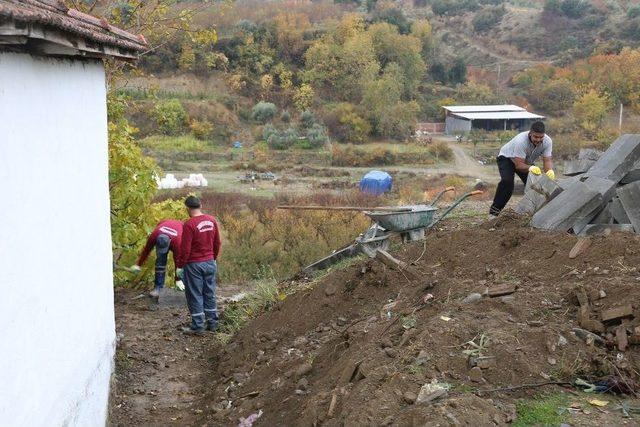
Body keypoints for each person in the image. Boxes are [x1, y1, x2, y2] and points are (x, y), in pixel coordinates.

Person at [489, 121, 555, 217]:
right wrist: (531, 167)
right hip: (507, 158)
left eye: (541, 137)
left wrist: (549, 172)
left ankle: (534, 214)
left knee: (537, 185)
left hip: (526, 161)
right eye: (536, 137)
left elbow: (547, 160)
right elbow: (519, 165)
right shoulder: (521, 141)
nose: (538, 140)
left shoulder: (547, 141)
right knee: (507, 183)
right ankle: (493, 213)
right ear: (530, 133)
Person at [177, 196, 222, 335]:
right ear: (200, 205)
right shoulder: (211, 220)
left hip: (194, 264)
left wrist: (180, 265)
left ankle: (198, 326)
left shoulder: (189, 224)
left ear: (187, 208)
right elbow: (217, 242)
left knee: (195, 294)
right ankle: (213, 323)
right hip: (210, 262)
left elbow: (185, 249)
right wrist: (212, 258)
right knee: (209, 292)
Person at [131, 219, 183, 297]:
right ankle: (158, 288)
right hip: (164, 224)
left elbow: (178, 262)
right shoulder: (154, 235)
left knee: (184, 265)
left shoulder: (178, 242)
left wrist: (178, 279)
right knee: (160, 262)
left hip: (181, 230)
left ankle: (183, 288)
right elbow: (146, 250)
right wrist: (138, 265)